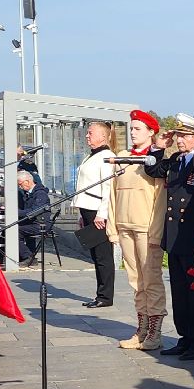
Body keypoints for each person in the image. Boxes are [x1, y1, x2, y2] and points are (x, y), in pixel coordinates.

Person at [148, 116, 194, 359]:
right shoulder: (175, 160)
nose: (179, 140)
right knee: (180, 292)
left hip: (193, 237)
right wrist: (158, 147)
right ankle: (185, 337)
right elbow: (153, 168)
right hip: (175, 236)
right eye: (178, 136)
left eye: (185, 136)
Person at [109, 109, 168, 350]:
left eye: (137, 129)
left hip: (146, 228)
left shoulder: (154, 161)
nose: (132, 133)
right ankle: (141, 328)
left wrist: (155, 233)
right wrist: (112, 227)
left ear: (151, 132)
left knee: (151, 279)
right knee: (135, 281)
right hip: (125, 226)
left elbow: (160, 200)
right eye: (131, 128)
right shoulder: (122, 157)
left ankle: (154, 332)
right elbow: (112, 194)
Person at [75, 120, 118, 308]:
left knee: (103, 256)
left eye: (91, 133)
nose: (87, 135)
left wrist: (103, 213)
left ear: (103, 136)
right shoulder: (91, 155)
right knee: (96, 255)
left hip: (97, 211)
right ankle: (100, 294)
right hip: (87, 209)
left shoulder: (107, 156)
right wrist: (80, 213)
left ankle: (105, 297)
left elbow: (109, 187)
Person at [15, 169, 51, 266]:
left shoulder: (40, 194)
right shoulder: (30, 193)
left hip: (41, 224)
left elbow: (33, 212)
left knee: (14, 231)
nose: (20, 187)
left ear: (27, 181)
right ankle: (2, 253)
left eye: (20, 184)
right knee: (9, 227)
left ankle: (28, 257)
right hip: (34, 222)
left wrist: (15, 212)